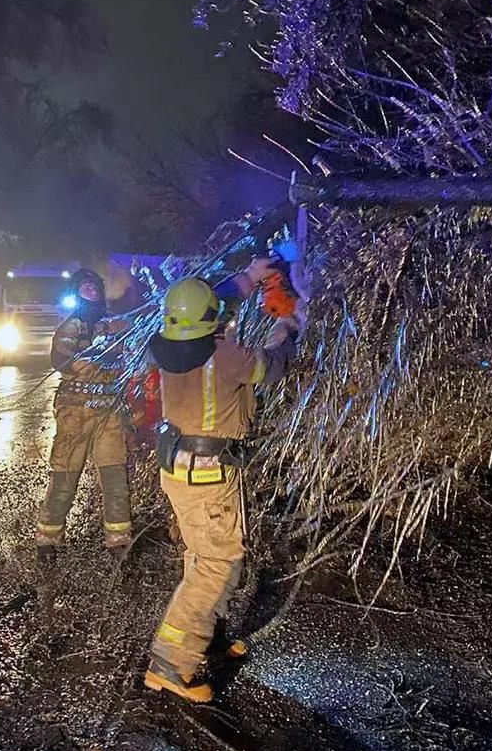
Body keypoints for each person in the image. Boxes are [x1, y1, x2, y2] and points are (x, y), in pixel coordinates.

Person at [142, 259, 301, 702]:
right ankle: (171, 663)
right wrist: (289, 323)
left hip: (180, 468)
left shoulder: (166, 345)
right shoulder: (226, 356)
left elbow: (213, 307)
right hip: (209, 475)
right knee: (217, 562)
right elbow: (271, 367)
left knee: (203, 556)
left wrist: (251, 277)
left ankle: (201, 633)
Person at [34, 268, 133, 565]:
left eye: (94, 287)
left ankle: (118, 540)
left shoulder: (113, 323)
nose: (91, 291)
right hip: (75, 411)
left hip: (109, 410)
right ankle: (47, 538)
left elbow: (134, 340)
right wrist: (96, 362)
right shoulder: (71, 326)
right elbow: (62, 360)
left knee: (115, 474)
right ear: (76, 292)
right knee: (65, 475)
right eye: (85, 287)